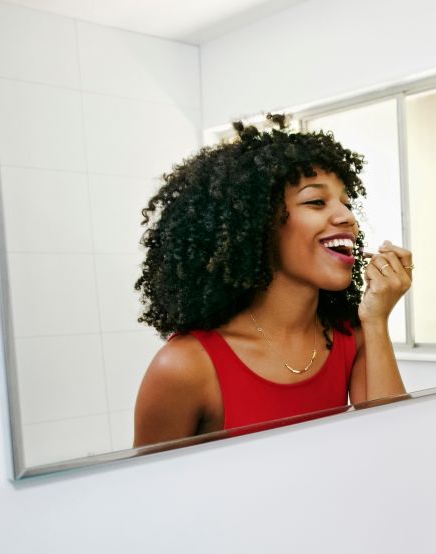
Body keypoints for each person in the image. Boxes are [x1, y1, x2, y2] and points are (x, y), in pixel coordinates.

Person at [133, 116, 412, 446]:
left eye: (346, 203)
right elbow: (150, 493)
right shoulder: (184, 367)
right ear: (257, 225)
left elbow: (392, 450)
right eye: (316, 201)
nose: (347, 217)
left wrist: (377, 319)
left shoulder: (353, 337)